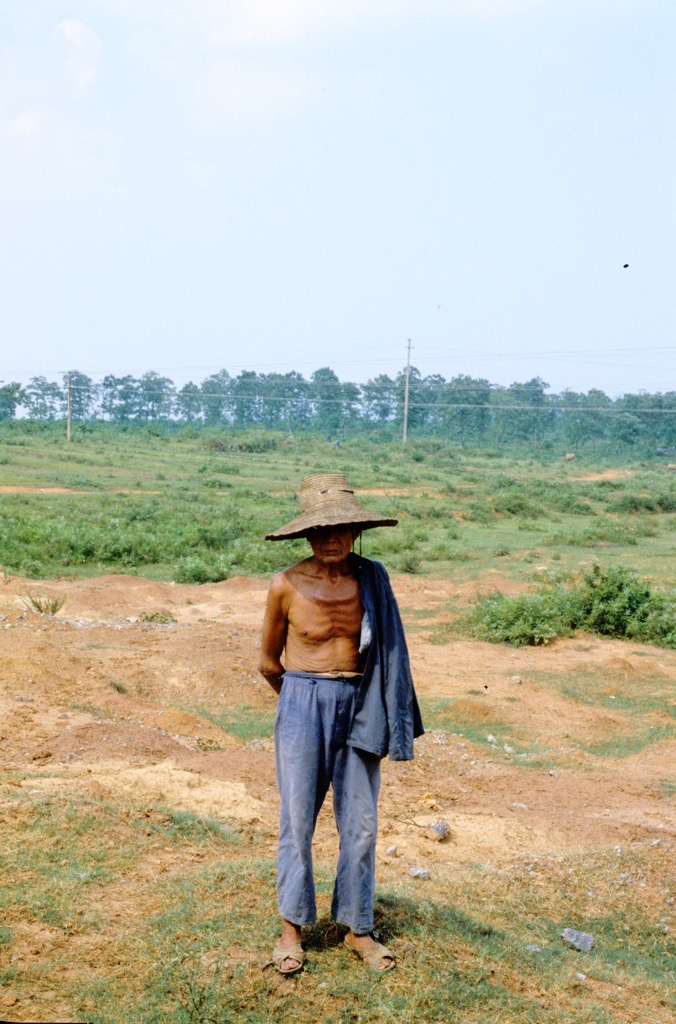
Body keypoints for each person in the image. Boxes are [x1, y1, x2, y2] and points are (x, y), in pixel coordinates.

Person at [259, 473, 423, 974]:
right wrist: (303, 701)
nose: (331, 539)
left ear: (355, 531)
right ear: (306, 535)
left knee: (360, 825)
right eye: (320, 530)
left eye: (341, 529)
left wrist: (360, 697)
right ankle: (291, 929)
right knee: (296, 821)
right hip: (303, 701)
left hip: (362, 700)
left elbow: (388, 649)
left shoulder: (371, 578)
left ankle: (358, 928)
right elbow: (269, 663)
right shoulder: (285, 585)